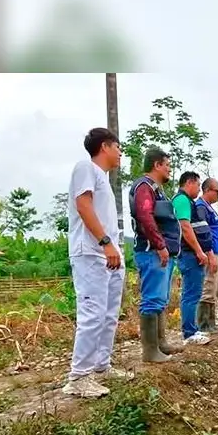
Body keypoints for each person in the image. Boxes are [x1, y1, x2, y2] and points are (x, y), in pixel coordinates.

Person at [63, 127, 133, 398]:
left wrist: (113, 248)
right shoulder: (86, 168)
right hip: (91, 252)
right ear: (105, 146)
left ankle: (101, 366)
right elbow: (83, 206)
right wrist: (105, 243)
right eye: (117, 147)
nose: (120, 153)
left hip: (109, 254)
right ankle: (79, 377)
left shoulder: (104, 179)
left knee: (108, 314)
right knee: (92, 313)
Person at [128, 147, 184, 363]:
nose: (170, 170)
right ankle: (150, 351)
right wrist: (160, 245)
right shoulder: (144, 187)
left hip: (162, 252)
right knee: (152, 299)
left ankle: (161, 343)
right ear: (157, 165)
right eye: (167, 165)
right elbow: (145, 216)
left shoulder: (156, 188)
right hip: (152, 251)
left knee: (161, 299)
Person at [171, 171, 214, 344]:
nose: (198, 189)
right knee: (191, 294)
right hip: (188, 254)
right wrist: (198, 251)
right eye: (197, 184)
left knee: (194, 293)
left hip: (192, 253)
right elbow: (185, 227)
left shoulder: (188, 201)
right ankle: (189, 332)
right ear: (189, 183)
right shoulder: (181, 200)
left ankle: (192, 329)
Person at [196, 177, 218, 333]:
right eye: (217, 191)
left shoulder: (210, 207)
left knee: (215, 288)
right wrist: (210, 253)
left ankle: (211, 323)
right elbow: (202, 232)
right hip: (211, 253)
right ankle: (204, 324)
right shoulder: (201, 207)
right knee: (208, 287)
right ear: (207, 190)